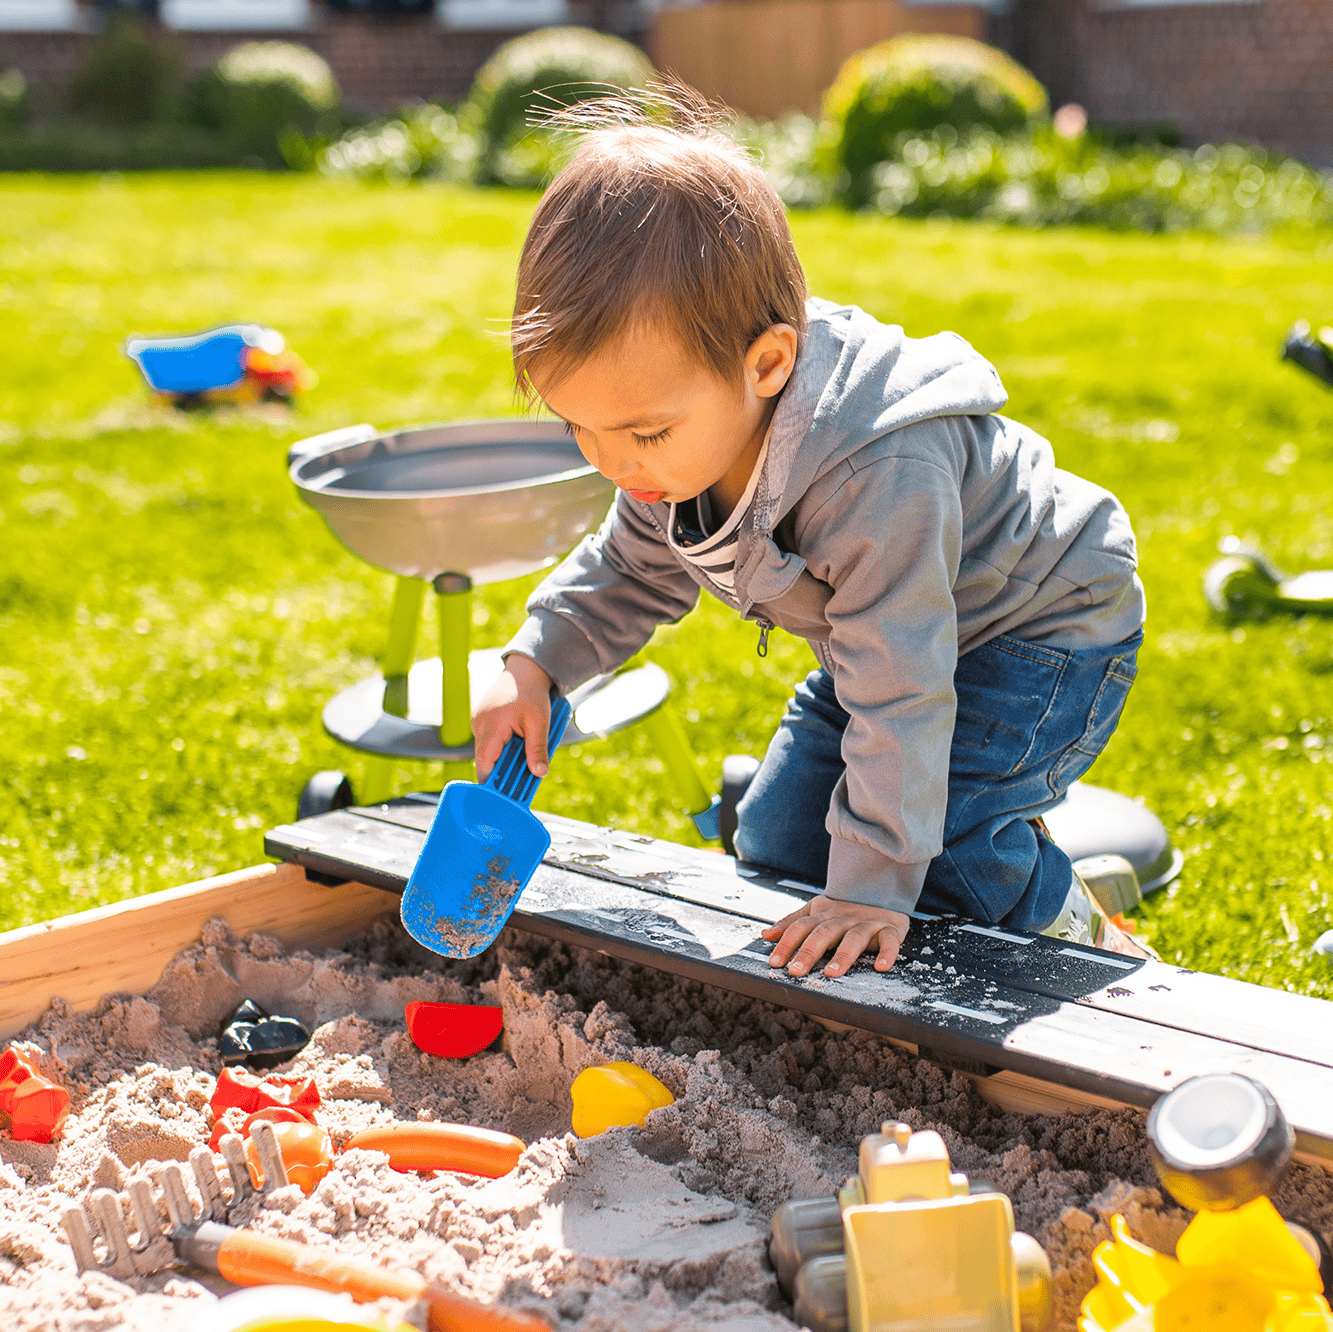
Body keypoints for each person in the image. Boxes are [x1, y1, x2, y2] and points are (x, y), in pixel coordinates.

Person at [471, 92, 1147, 981]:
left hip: (1040, 627)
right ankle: (982, 884)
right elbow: (632, 570)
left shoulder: (876, 474)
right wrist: (538, 660)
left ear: (769, 364)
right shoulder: (672, 441)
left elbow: (902, 692)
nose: (612, 463)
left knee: (947, 839)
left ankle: (1089, 947)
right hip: (889, 642)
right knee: (782, 836)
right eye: (578, 429)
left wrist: (872, 887)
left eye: (639, 434)